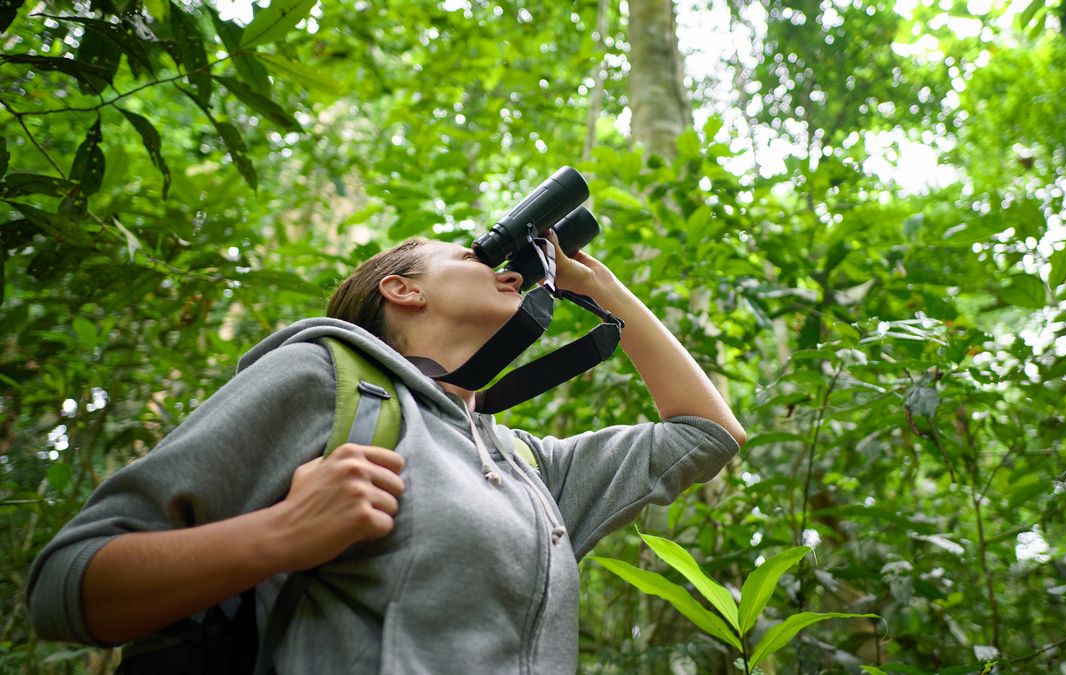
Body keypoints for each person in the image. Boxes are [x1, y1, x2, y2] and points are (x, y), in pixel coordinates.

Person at [27, 231, 746, 673]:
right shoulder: (323, 378)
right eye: (470, 254)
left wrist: (597, 284)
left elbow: (706, 435)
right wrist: (279, 534)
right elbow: (67, 585)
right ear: (401, 290)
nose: (505, 268)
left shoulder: (526, 463)